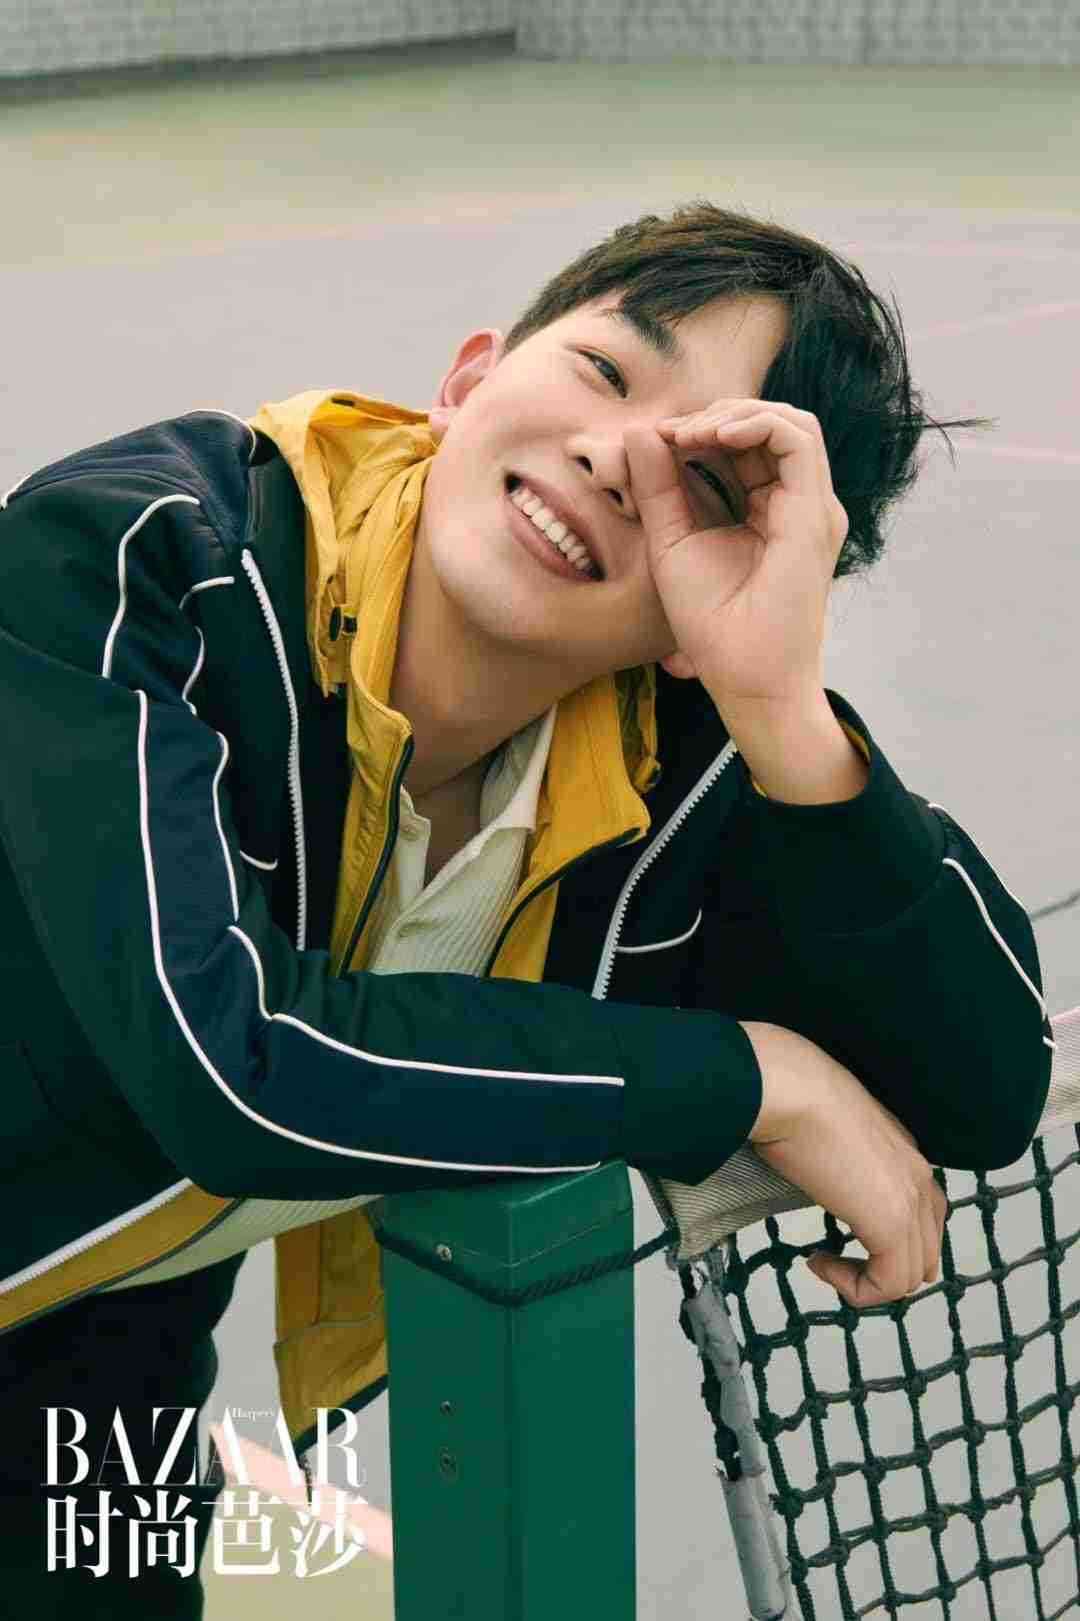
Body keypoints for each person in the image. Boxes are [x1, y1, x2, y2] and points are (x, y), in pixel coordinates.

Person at [0, 202, 1052, 1613]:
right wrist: (751, 1078)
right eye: (608, 372)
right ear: (469, 378)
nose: (619, 457)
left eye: (708, 479)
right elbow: (227, 1065)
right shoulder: (140, 559)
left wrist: (786, 712)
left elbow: (988, 1088)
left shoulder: (666, 764)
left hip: (102, 1339)